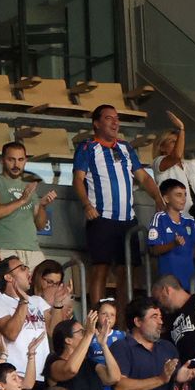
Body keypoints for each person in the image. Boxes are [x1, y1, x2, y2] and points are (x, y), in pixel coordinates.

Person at [73, 104, 161, 307]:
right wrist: (86, 205)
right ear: (96, 123)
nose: (115, 122)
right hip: (101, 217)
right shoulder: (87, 148)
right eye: (109, 118)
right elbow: (77, 179)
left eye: (117, 118)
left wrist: (157, 197)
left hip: (127, 220)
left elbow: (143, 177)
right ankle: (97, 318)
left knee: (127, 271)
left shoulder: (125, 147)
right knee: (100, 269)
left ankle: (123, 320)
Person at [0, 142, 55, 266]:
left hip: (33, 251)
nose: (16, 164)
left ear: (25, 161)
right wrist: (21, 200)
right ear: (2, 161)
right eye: (11, 159)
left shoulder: (28, 187)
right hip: (4, 249)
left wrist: (42, 206)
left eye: (20, 160)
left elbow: (40, 225)